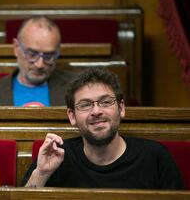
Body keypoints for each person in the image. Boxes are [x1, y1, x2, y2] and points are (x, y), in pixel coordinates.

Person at [22, 68, 185, 189]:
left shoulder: (154, 156)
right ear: (72, 116)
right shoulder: (56, 155)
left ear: (121, 108)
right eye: (85, 105)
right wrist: (41, 173)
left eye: (105, 102)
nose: (96, 111)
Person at [0, 16, 73, 106]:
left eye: (49, 56)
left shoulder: (76, 90)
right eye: (32, 54)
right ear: (16, 48)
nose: (39, 64)